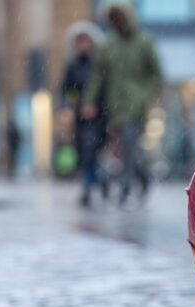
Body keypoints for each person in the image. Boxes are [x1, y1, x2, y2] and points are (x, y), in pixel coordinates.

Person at [81, 3, 161, 205]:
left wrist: (144, 95)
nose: (117, 21)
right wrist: (89, 101)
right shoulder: (109, 45)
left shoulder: (144, 42)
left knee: (128, 144)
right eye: (113, 18)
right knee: (123, 149)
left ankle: (125, 189)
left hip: (136, 107)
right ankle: (142, 177)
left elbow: (156, 74)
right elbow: (98, 76)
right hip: (113, 107)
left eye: (120, 17)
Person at [59, 22, 106, 207]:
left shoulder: (99, 65)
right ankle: (92, 183)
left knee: (93, 150)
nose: (84, 45)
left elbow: (105, 90)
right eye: (81, 42)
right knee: (85, 151)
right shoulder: (73, 66)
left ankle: (93, 184)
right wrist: (67, 107)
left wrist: (97, 106)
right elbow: (66, 89)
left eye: (86, 42)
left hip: (99, 115)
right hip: (81, 116)